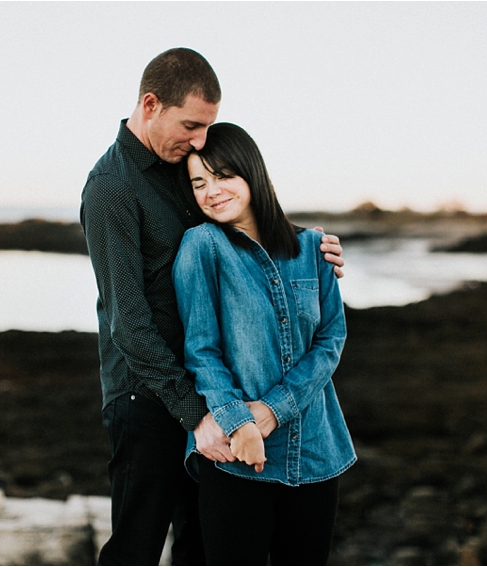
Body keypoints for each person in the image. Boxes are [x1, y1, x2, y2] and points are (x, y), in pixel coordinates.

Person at [80, 47, 345, 565]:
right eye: (192, 125)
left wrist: (306, 245)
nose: (200, 141)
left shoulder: (181, 161)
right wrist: (197, 415)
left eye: (209, 128)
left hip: (210, 388)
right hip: (148, 396)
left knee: (200, 546)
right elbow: (128, 323)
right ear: (151, 104)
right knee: (137, 543)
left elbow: (238, 208)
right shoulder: (111, 187)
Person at [172, 122, 356, 566]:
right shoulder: (202, 247)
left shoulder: (313, 246)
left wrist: (274, 409)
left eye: (222, 176)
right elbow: (201, 351)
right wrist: (240, 423)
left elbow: (332, 337)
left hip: (316, 451)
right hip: (235, 456)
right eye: (199, 182)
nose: (211, 191)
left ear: (251, 173)